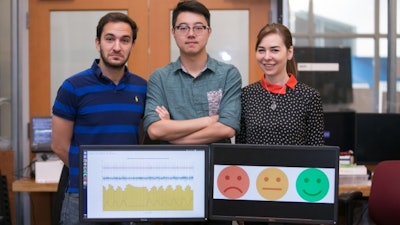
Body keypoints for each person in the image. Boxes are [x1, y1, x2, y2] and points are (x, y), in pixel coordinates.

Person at [51, 12, 147, 225]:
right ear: (98, 43)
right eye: (109, 38)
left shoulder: (142, 87)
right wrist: (94, 176)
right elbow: (59, 145)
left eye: (125, 40)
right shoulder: (72, 87)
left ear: (132, 45)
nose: (116, 47)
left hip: (130, 194)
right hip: (82, 195)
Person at [143, 0, 242, 146]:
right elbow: (155, 130)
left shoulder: (228, 74)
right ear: (173, 32)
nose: (191, 34)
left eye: (198, 28)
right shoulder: (159, 78)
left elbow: (227, 128)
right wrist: (209, 120)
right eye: (183, 28)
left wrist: (173, 135)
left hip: (216, 164)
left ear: (209, 32)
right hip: (174, 164)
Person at [236, 23, 324, 146]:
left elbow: (317, 150)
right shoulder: (246, 95)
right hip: (257, 165)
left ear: (289, 52)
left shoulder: (309, 96)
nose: (267, 57)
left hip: (295, 165)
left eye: (275, 50)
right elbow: (241, 148)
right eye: (261, 50)